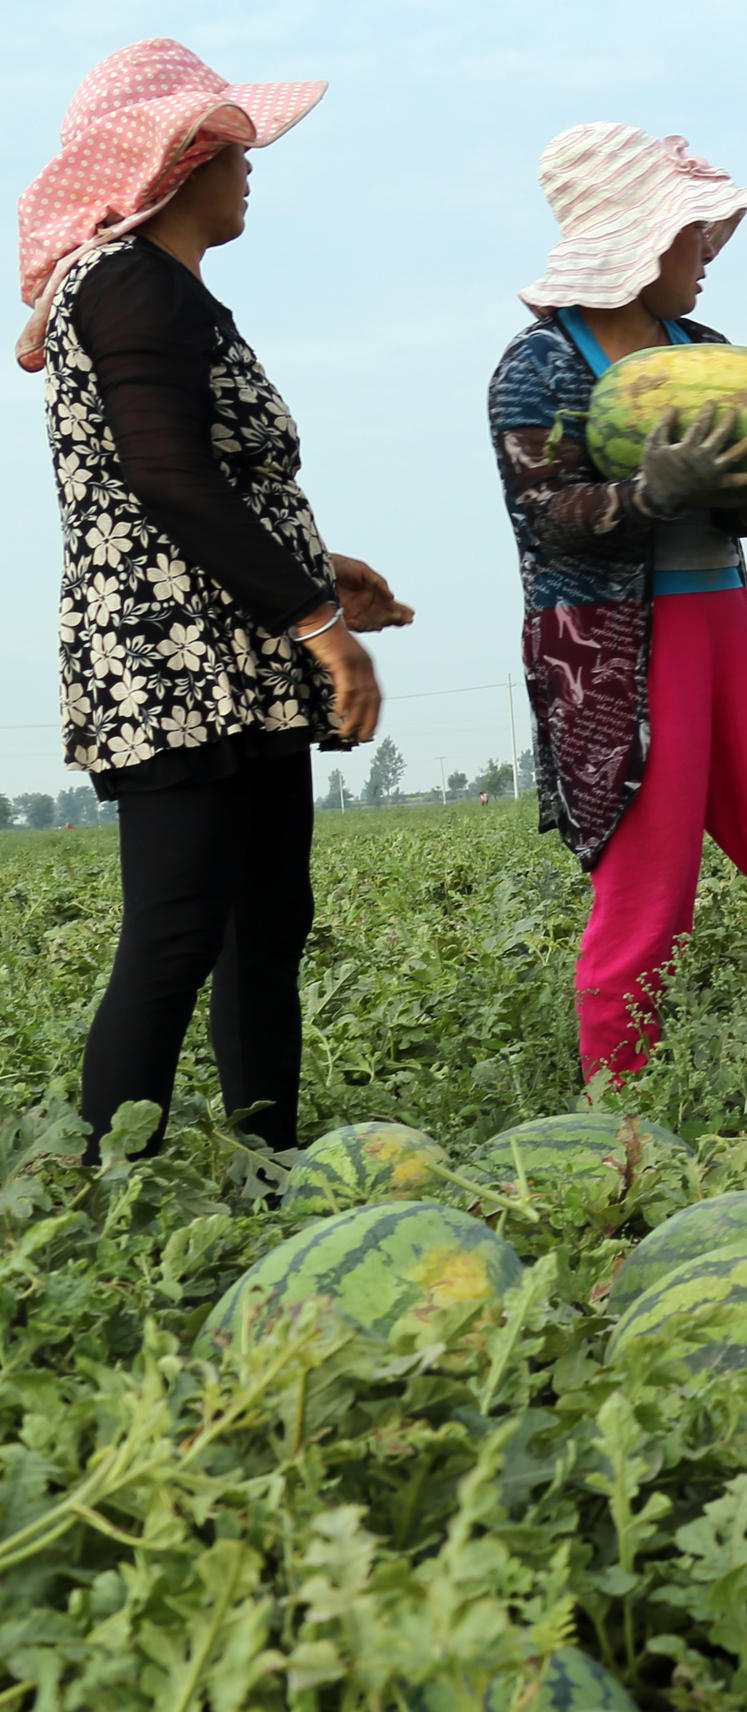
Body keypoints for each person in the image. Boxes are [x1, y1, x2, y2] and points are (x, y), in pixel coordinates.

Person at [19, 40, 408, 1157]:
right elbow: (165, 476)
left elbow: (203, 474)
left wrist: (314, 574)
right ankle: (100, 1186)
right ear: (177, 159)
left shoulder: (152, 288)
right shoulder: (133, 283)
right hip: (174, 658)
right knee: (180, 926)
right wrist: (322, 629)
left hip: (226, 650)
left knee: (263, 923)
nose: (251, 168)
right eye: (234, 148)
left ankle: (266, 1157)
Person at [489, 123, 747, 1078]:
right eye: (689, 233)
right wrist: (648, 495)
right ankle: (619, 1095)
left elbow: (733, 514)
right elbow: (548, 516)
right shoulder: (536, 369)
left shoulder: (701, 348)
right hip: (614, 647)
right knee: (647, 875)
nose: (706, 251)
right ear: (632, 243)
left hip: (724, 625)